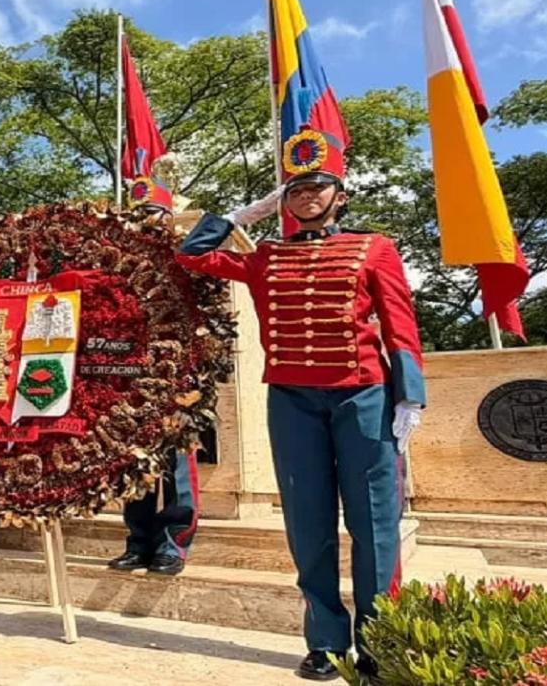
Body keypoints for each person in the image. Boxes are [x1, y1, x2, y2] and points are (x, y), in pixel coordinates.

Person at [175, 127, 425, 681]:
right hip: (291, 401)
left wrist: (411, 394)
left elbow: (401, 322)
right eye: (296, 189)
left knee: (374, 523)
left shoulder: (373, 247)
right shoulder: (264, 257)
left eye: (318, 186)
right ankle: (326, 642)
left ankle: (379, 640)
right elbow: (192, 255)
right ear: (284, 202)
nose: (307, 196)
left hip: (362, 395)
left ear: (340, 195)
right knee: (307, 526)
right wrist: (246, 214)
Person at [106, 159, 200, 577]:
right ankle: (138, 541)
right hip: (130, 376)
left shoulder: (187, 259)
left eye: (153, 215)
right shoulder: (118, 266)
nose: (145, 224)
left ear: (168, 218)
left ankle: (173, 544)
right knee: (134, 463)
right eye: (139, 216)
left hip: (179, 373)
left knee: (177, 465)